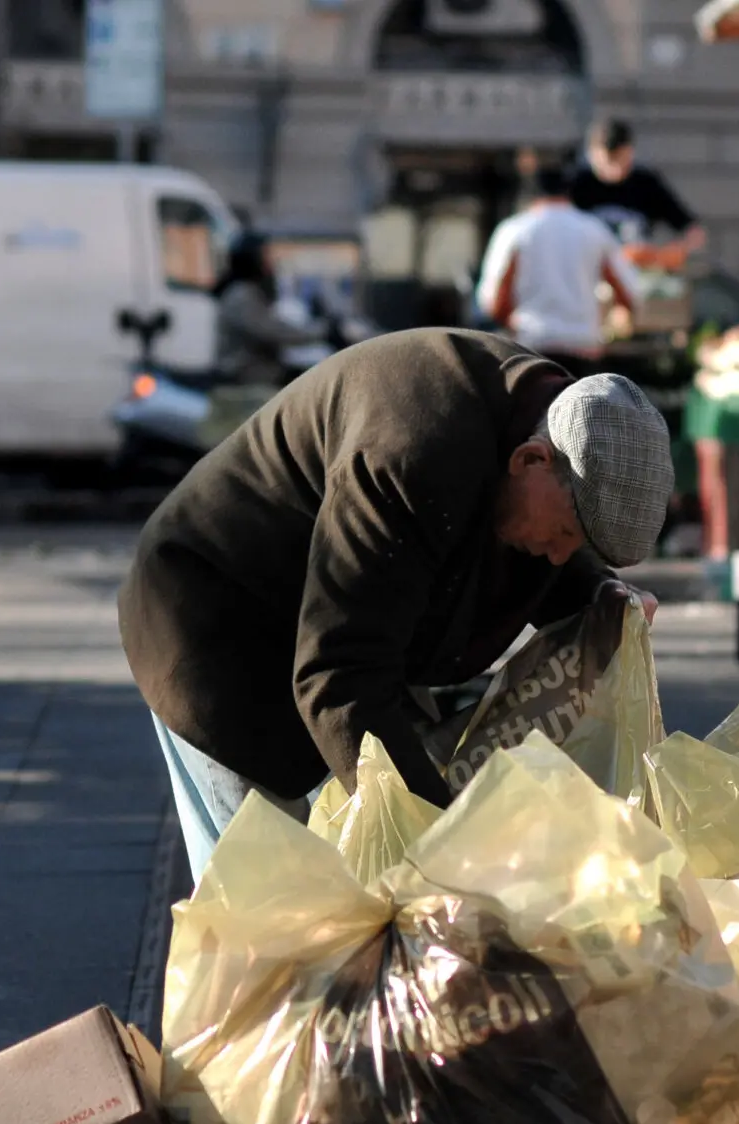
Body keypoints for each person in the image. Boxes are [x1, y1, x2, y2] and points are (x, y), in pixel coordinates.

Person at [119, 329, 674, 875]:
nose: (558, 559)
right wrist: (444, 838)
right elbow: (340, 677)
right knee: (270, 909)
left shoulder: (540, 417)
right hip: (218, 620)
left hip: (344, 625)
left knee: (372, 877)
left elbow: (557, 524)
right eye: (563, 536)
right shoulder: (409, 452)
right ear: (529, 460)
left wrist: (603, 598)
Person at [476, 167, 643, 375]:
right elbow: (628, 291)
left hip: (531, 346)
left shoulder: (514, 230)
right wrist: (610, 324)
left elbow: (493, 302)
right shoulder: (594, 229)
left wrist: (512, 321)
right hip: (584, 346)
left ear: (530, 196)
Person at [569, 118, 706, 249]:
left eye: (620, 160)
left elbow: (692, 231)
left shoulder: (646, 183)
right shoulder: (577, 184)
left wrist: (669, 254)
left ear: (630, 152)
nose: (615, 169)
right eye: (609, 162)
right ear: (592, 155)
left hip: (634, 267)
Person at [212, 236, 321, 386]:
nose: (271, 263)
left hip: (262, 371)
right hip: (248, 375)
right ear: (252, 260)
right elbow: (272, 330)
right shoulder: (241, 295)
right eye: (265, 256)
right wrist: (320, 333)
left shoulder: (249, 291)